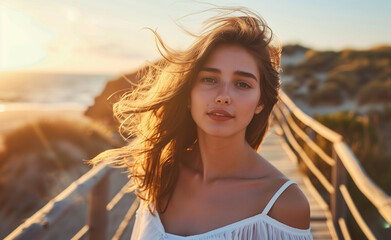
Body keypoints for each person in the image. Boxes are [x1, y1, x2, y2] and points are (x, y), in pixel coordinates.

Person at [90, 7, 312, 240]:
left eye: (242, 84)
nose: (223, 96)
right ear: (189, 93)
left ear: (261, 103)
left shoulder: (284, 205)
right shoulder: (161, 173)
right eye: (209, 79)